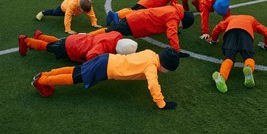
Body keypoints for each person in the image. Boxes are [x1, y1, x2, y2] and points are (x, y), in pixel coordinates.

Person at [31, 47, 181, 110]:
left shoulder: (150, 53)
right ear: (165, 65)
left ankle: (46, 74)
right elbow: (153, 85)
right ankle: (41, 81)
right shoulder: (151, 68)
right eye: (168, 70)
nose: (166, 72)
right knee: (76, 77)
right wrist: (161, 103)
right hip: (105, 67)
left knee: (77, 70)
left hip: (107, 58)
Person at [90, 4, 194, 55]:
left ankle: (90, 36)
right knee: (111, 31)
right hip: (135, 23)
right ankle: (88, 36)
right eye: (180, 25)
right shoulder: (173, 17)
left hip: (136, 17)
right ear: (181, 20)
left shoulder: (174, 10)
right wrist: (176, 50)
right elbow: (171, 33)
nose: (178, 26)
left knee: (113, 31)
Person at [206, 14, 267, 93]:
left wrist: (213, 40)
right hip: (246, 35)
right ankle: (248, 69)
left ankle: (221, 77)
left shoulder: (230, 18)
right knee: (248, 57)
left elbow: (218, 28)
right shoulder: (251, 19)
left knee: (229, 58)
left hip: (230, 34)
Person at [18, 30, 137, 63]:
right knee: (48, 47)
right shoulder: (103, 47)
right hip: (72, 48)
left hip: (77, 40)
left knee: (57, 42)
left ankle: (40, 36)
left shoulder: (116, 35)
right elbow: (91, 55)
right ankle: (26, 41)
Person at [35, 0, 102, 34]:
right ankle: (43, 13)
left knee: (72, 14)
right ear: (79, 6)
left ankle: (74, 13)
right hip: (64, 7)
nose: (85, 13)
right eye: (83, 11)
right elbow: (67, 16)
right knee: (55, 12)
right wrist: (68, 30)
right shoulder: (72, 5)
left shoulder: (88, 5)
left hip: (73, 11)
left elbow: (91, 14)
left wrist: (94, 23)